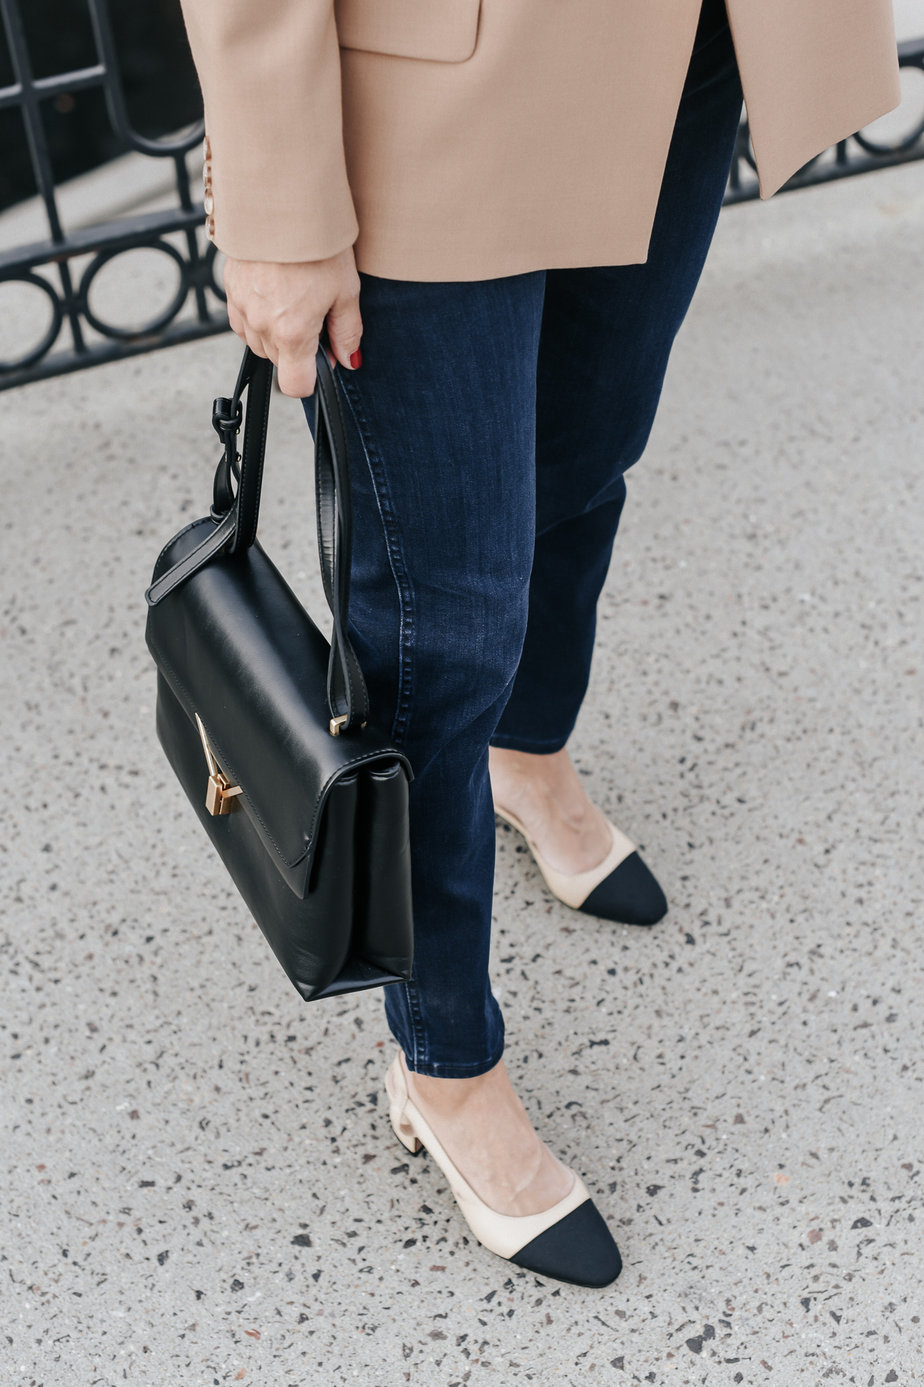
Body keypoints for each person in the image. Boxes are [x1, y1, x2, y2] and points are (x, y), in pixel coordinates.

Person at [176, 0, 900, 1287]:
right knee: (440, 621)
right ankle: (442, 1058)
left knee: (586, 457)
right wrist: (281, 200)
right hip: (441, 70)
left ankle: (530, 751)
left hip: (690, 36)